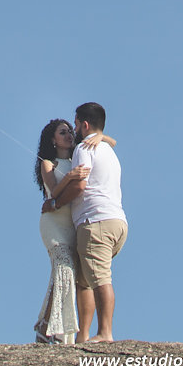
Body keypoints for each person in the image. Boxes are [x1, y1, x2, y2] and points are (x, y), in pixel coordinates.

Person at [34, 118, 116, 344]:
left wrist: (100, 136)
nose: (69, 134)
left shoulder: (80, 154)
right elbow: (53, 190)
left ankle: (47, 326)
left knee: (72, 277)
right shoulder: (48, 162)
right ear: (53, 139)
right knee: (64, 269)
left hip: (73, 224)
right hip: (53, 224)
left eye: (71, 130)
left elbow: (113, 142)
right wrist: (70, 176)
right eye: (63, 132)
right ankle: (54, 330)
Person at [50, 102, 127, 344]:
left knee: (100, 277)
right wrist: (101, 135)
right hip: (117, 221)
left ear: (84, 125)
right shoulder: (108, 149)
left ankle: (105, 332)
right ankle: (83, 335)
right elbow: (108, 140)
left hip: (96, 221)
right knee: (84, 280)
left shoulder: (85, 148)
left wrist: (57, 203)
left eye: (75, 124)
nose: (74, 129)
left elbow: (80, 184)